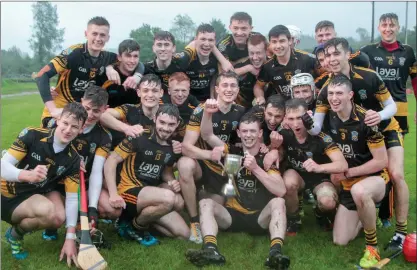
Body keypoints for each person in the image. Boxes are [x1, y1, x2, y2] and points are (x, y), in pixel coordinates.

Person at [312, 38, 408, 254]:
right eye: (328, 55)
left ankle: (401, 232)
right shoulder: (326, 87)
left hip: (383, 128)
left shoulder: (368, 76)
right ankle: (364, 205)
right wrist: (307, 123)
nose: (332, 59)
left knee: (396, 173)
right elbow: (317, 127)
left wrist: (379, 115)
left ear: (348, 55)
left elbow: (391, 106)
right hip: (358, 137)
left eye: (337, 53)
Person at [185, 112, 290, 269]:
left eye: (253, 131)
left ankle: (275, 253)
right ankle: (210, 250)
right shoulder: (231, 151)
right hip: (232, 215)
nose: (248, 135)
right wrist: (207, 112)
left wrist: (255, 168)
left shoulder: (266, 157)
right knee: (206, 202)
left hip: (259, 217)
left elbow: (281, 190)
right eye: (245, 131)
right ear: (239, 133)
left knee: (279, 202)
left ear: (260, 133)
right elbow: (207, 135)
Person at [1, 103, 87, 266]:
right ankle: (15, 230)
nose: (68, 130)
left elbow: (71, 198)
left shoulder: (74, 159)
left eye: (74, 127)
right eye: (65, 123)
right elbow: (2, 166)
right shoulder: (32, 134)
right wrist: (27, 175)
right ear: (58, 120)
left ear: (81, 130)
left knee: (58, 218)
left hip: (33, 195)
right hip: (7, 195)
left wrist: (70, 237)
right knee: (47, 210)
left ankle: (14, 234)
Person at [322, 75, 390, 268]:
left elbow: (381, 161)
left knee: (359, 191)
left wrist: (348, 172)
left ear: (351, 95)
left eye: (339, 93)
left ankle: (372, 248)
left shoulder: (366, 119)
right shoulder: (328, 118)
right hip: (348, 184)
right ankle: (365, 215)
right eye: (331, 93)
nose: (334, 98)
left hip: (374, 179)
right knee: (340, 240)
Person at [103, 104, 190, 244]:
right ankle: (133, 228)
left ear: (177, 124)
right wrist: (113, 193)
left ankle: (141, 222)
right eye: (162, 122)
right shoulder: (139, 136)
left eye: (171, 124)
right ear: (155, 119)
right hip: (129, 190)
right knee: (169, 198)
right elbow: (111, 161)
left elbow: (167, 173)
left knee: (183, 232)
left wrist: (172, 181)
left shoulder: (173, 146)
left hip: (150, 195)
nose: (166, 128)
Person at [36, 16, 141, 128]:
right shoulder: (73, 53)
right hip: (60, 113)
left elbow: (135, 62)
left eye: (102, 35)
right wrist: (53, 109)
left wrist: (137, 76)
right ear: (86, 34)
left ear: (108, 38)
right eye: (94, 34)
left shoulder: (108, 57)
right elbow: (41, 75)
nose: (98, 38)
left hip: (84, 115)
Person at [177, 71, 245, 243]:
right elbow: (186, 147)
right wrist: (210, 154)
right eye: (225, 85)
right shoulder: (201, 110)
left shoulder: (241, 112)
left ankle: (200, 199)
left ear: (238, 90)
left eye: (233, 86)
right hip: (201, 164)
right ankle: (194, 222)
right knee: (184, 164)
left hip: (224, 168)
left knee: (218, 212)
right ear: (217, 89)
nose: (229, 89)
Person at [42, 85, 112, 241]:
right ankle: (52, 225)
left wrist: (92, 207)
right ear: (81, 102)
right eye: (87, 108)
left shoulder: (104, 136)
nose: (90, 114)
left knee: (110, 208)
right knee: (57, 215)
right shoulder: (61, 125)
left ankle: (84, 218)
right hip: (56, 182)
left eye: (96, 111)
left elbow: (96, 172)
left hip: (82, 184)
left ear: (105, 109)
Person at [278, 98, 347, 235]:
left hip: (320, 178)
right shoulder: (284, 133)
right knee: (288, 183)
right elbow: (278, 151)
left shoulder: (321, 136)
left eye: (299, 118)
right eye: (291, 119)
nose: (296, 123)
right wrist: (274, 150)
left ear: (309, 115)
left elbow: (342, 164)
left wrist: (318, 167)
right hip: (298, 175)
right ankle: (294, 219)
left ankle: (320, 213)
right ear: (285, 118)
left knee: (328, 203)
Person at [361, 13, 417, 136]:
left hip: (399, 109)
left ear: (398, 27)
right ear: (379, 28)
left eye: (392, 25)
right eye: (384, 25)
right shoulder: (367, 51)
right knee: (374, 150)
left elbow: (415, 81)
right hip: (375, 109)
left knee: (397, 149)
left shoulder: (408, 52)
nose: (388, 29)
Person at [100, 74, 184, 149]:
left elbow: (186, 142)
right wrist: (127, 128)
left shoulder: (171, 116)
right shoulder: (129, 109)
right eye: (145, 90)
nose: (150, 95)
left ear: (161, 93)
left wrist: (177, 145)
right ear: (138, 92)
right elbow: (103, 116)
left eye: (155, 91)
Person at [254, 25, 316, 104]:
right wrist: (260, 97)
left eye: (282, 41)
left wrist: (316, 86)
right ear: (270, 44)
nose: (278, 46)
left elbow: (326, 73)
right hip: (285, 109)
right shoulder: (268, 67)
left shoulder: (306, 59)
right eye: (274, 42)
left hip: (309, 106)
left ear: (290, 41)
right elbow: (258, 86)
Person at [176, 23, 233, 102]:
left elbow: (227, 70)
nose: (206, 44)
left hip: (209, 101)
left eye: (210, 40)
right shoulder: (188, 58)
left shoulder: (216, 58)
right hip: (187, 101)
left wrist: (213, 96)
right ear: (195, 39)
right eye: (203, 39)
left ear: (214, 41)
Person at [101, 39, 143, 108]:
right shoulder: (105, 75)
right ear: (119, 57)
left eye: (135, 56)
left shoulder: (144, 75)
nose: (132, 61)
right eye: (128, 56)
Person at [234, 33, 268, 108]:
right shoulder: (243, 63)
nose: (255, 58)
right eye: (251, 53)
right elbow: (224, 76)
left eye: (258, 53)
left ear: (266, 51)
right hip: (240, 107)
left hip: (267, 106)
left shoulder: (273, 64)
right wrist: (247, 68)